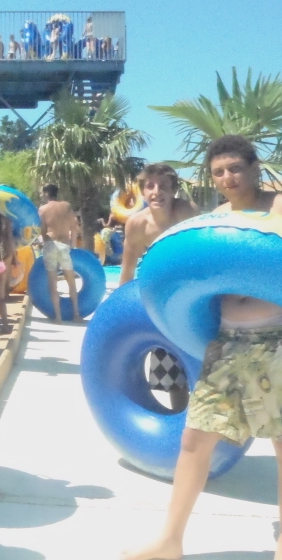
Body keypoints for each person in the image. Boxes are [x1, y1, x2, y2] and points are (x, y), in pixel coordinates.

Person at [122, 135, 282, 560]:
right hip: (227, 339)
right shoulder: (216, 220)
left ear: (254, 167)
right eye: (218, 172)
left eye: (235, 168)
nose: (228, 178)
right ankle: (169, 541)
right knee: (193, 441)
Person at [119, 163, 198, 410]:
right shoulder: (136, 224)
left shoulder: (186, 213)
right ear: (142, 193)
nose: (156, 192)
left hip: (191, 292)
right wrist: (120, 307)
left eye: (163, 186)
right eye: (150, 186)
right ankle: (180, 418)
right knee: (170, 363)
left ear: (174, 190)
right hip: (161, 295)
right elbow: (127, 269)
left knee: (198, 361)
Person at [38, 183, 81, 322]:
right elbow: (74, 227)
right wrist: (73, 245)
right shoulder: (66, 206)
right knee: (71, 281)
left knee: (53, 282)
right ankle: (76, 314)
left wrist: (45, 243)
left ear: (46, 193)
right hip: (64, 245)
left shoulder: (43, 209)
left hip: (50, 245)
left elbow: (43, 231)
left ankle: (58, 316)